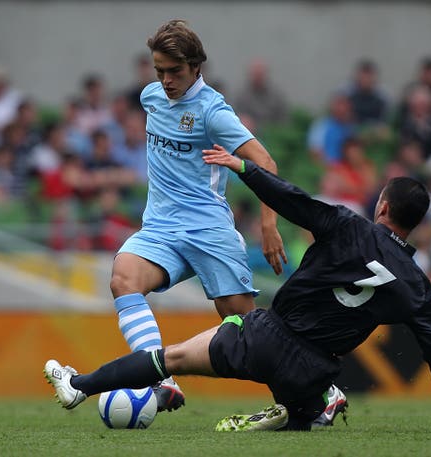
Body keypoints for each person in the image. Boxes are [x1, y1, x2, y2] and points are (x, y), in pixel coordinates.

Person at [44, 146, 431, 432]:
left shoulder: (348, 227)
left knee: (170, 359)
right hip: (316, 368)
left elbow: (291, 199)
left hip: (267, 336)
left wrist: (245, 169)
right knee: (302, 409)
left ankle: (79, 384)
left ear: (381, 206)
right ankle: (308, 408)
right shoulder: (416, 285)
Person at [103, 20, 291, 415]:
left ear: (196, 67)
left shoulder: (212, 112)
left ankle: (321, 392)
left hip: (208, 231)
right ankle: (159, 380)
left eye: (175, 71)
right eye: (160, 71)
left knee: (247, 328)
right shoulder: (151, 97)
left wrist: (269, 225)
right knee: (123, 279)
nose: (166, 80)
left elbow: (266, 163)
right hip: (160, 229)